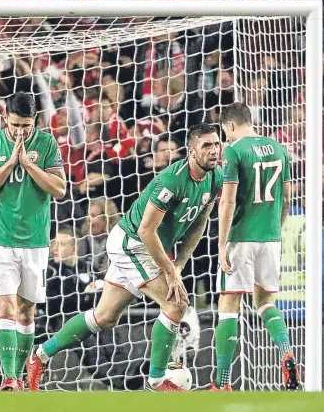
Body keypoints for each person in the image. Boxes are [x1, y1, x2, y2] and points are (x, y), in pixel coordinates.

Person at [26, 123, 223, 392]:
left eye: (216, 144)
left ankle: (40, 356)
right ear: (190, 152)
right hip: (132, 242)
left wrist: (178, 265)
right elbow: (146, 230)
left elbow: (199, 222)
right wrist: (169, 271)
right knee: (177, 304)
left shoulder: (215, 177)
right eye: (207, 145)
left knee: (104, 317)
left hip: (144, 246)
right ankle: (157, 382)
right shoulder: (171, 180)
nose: (214, 151)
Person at [0, 92, 66, 391]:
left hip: (36, 241)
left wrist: (28, 164)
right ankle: (10, 377)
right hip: (0, 239)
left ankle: (24, 373)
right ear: (5, 118)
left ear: (34, 121)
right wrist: (10, 163)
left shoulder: (47, 143)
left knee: (27, 311)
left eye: (26, 125)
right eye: (15, 125)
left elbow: (59, 189)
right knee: (6, 308)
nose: (20, 131)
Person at [210, 102, 300, 392]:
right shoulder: (280, 149)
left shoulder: (234, 151)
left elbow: (227, 201)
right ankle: (285, 351)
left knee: (228, 307)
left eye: (225, 132)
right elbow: (286, 198)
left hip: (241, 237)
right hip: (271, 238)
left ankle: (222, 384)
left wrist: (222, 243)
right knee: (264, 303)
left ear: (231, 125)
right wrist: (277, 229)